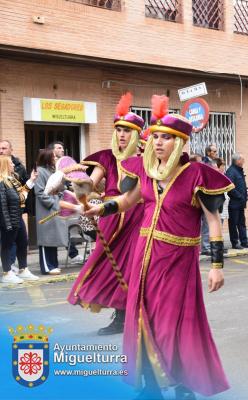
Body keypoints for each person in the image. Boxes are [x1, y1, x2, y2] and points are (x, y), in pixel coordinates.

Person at [85, 95, 231, 399]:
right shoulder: (147, 173)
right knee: (140, 317)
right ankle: (149, 385)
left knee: (172, 325)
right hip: (143, 258)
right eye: (156, 138)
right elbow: (127, 201)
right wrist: (102, 208)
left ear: (179, 142)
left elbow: (214, 221)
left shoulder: (196, 176)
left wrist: (216, 266)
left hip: (178, 262)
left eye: (166, 138)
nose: (159, 143)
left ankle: (183, 384)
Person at [67, 92, 146, 335]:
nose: (122, 135)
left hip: (138, 216)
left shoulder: (146, 160)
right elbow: (90, 185)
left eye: (127, 131)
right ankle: (121, 315)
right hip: (112, 217)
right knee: (110, 266)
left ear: (136, 135)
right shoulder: (106, 158)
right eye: (119, 130)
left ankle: (137, 314)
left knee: (136, 266)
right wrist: (76, 183)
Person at [0, 156, 38, 283]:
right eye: (10, 163)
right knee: (6, 245)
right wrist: (6, 223)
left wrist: (32, 180)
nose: (13, 165)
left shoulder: (12, 180)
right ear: (5, 165)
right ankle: (6, 273)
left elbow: (21, 195)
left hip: (17, 216)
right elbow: (3, 204)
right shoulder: (2, 182)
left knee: (23, 242)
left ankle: (23, 270)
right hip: (8, 219)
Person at [34, 149, 67, 275]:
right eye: (53, 156)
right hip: (46, 209)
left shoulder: (53, 171)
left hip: (55, 207)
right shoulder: (39, 171)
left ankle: (54, 264)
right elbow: (40, 193)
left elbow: (60, 188)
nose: (56, 158)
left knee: (53, 238)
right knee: (46, 238)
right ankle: (47, 267)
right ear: (47, 158)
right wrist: (54, 203)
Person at [226, 153, 248, 249]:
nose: (244, 161)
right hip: (234, 203)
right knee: (233, 224)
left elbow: (240, 185)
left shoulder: (239, 171)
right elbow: (230, 188)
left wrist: (246, 192)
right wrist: (239, 196)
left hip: (241, 203)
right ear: (237, 161)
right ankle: (235, 243)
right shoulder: (231, 171)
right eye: (242, 159)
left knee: (242, 223)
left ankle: (244, 242)